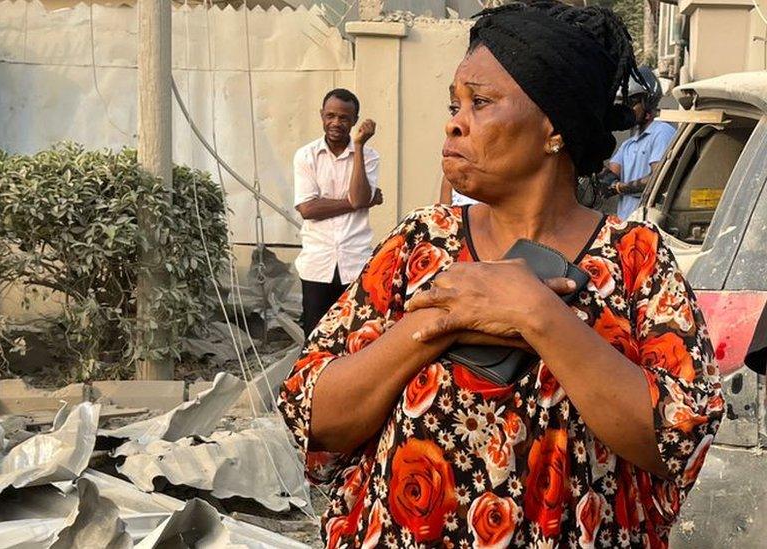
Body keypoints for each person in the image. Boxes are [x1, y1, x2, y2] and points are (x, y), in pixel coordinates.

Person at [279, 3, 722, 548]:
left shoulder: (636, 259)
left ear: (553, 129)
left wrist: (535, 314)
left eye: (480, 102)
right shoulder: (420, 244)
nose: (454, 121)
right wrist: (440, 322)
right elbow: (313, 413)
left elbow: (678, 436)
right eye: (454, 103)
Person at [294, 88, 383, 336]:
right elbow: (307, 208)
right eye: (330, 115)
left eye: (344, 118)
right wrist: (359, 201)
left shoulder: (369, 156)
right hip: (317, 264)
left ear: (354, 120)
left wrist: (359, 145)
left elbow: (359, 196)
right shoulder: (306, 156)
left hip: (355, 262)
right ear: (321, 115)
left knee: (354, 336)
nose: (336, 123)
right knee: (315, 337)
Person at [608, 66, 676, 220]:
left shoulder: (661, 132)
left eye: (632, 103)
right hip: (626, 224)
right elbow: (611, 172)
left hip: (647, 225)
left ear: (648, 102)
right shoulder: (630, 143)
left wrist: (619, 188)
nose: (627, 110)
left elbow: (658, 179)